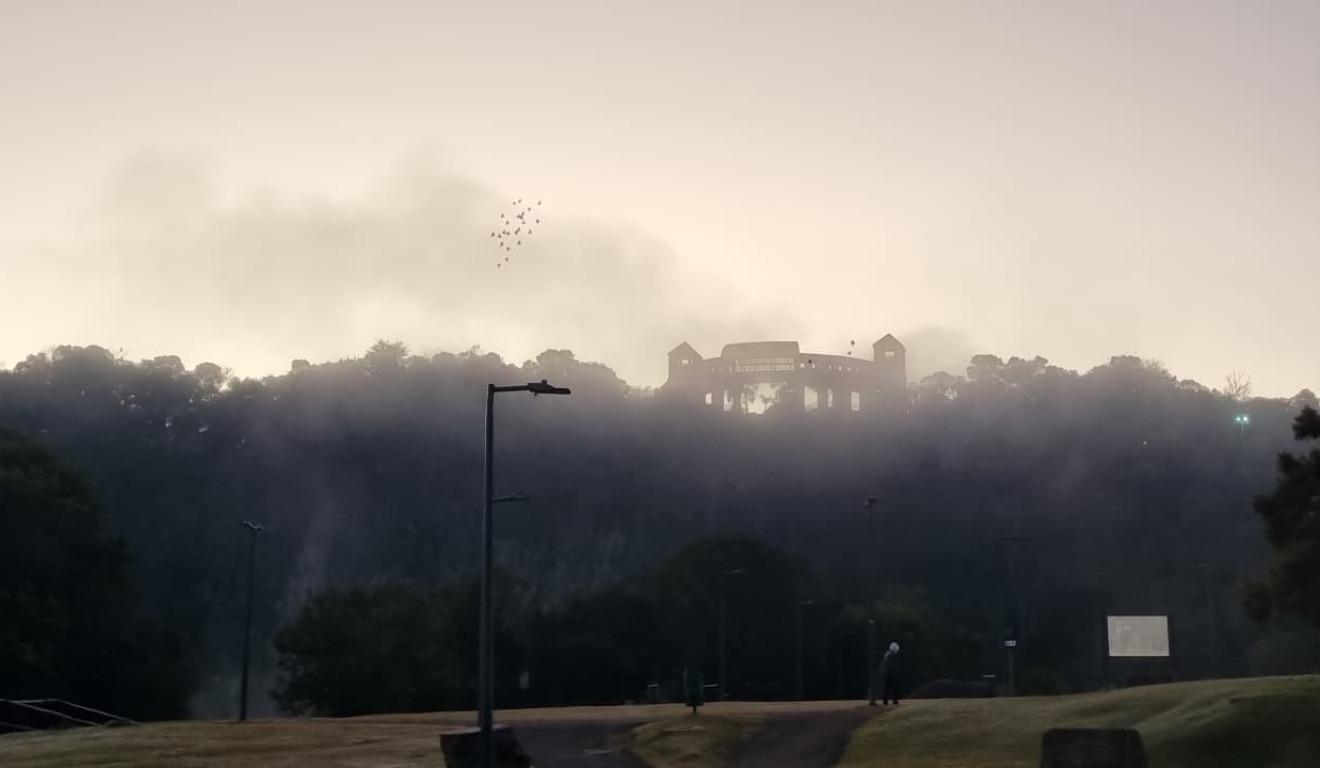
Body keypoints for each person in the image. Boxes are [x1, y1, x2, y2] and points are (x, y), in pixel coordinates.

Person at [880, 641, 901, 705]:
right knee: (895, 687)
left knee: (887, 688)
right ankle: (895, 700)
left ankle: (885, 701)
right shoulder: (891, 655)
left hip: (886, 673)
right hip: (891, 673)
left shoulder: (887, 654)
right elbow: (893, 665)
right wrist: (896, 672)